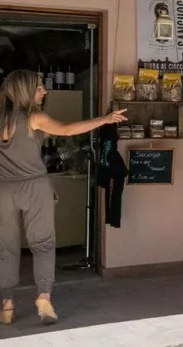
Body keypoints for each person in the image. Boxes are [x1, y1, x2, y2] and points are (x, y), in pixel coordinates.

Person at [0, 70, 125, 325]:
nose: (44, 92)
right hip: (35, 188)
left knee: (5, 247)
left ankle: (7, 304)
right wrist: (104, 119)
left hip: (3, 189)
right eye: (38, 88)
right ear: (24, 90)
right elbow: (68, 130)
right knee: (43, 243)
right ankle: (43, 297)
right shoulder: (34, 117)